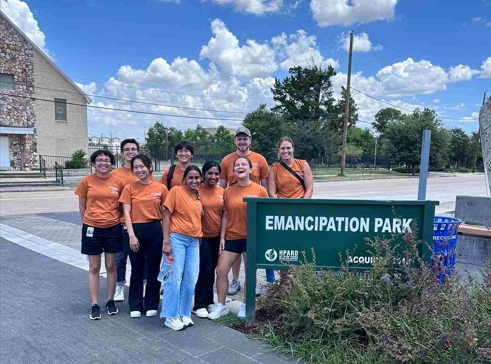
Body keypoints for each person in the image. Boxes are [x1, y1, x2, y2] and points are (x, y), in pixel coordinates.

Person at [209, 157, 268, 320]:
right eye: (237, 165)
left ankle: (246, 305)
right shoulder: (228, 191)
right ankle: (221, 306)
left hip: (251, 238)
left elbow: (264, 216)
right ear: (233, 171)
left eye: (244, 164)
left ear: (250, 170)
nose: (240, 167)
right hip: (232, 237)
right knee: (221, 271)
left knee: (250, 272)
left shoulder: (260, 190)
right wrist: (222, 237)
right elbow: (226, 214)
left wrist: (261, 238)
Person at [219, 126, 273, 295]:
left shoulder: (260, 159)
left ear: (250, 140)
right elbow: (221, 186)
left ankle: (251, 285)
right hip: (234, 207)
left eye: (245, 138)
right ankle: (235, 280)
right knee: (233, 255)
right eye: (239, 138)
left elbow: (265, 184)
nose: (242, 142)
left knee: (249, 257)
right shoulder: (227, 160)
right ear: (235, 141)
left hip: (252, 210)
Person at [75, 149, 125, 320]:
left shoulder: (118, 182)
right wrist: (87, 222)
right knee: (94, 267)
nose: (103, 163)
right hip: (92, 228)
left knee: (111, 266)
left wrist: (117, 220)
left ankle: (110, 300)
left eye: (106, 160)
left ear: (112, 163)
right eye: (99, 160)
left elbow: (122, 206)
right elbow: (82, 205)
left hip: (113, 228)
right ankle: (94, 303)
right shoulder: (86, 181)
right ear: (94, 163)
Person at [119, 155, 168, 318]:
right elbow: (126, 212)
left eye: (142, 167)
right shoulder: (129, 188)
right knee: (137, 269)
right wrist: (131, 235)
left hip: (155, 230)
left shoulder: (161, 188)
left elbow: (166, 214)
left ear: (150, 167)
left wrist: (166, 237)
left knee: (154, 268)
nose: (139, 170)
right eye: (136, 168)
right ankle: (136, 304)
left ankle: (151, 303)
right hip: (135, 231)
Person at [112, 138, 156, 302]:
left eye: (133, 149)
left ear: (138, 151)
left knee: (143, 259)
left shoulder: (145, 172)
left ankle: (143, 286)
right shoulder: (116, 174)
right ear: (122, 153)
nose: (130, 152)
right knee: (120, 257)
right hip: (122, 224)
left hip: (143, 225)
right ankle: (119, 286)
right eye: (127, 149)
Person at [160, 165, 203, 331]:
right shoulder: (176, 191)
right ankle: (170, 316)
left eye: (197, 178)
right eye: (190, 177)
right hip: (176, 239)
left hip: (194, 241)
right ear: (184, 179)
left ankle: (184, 313)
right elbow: (166, 216)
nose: (194, 181)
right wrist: (166, 241)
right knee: (174, 277)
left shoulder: (198, 195)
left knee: (191, 278)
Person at [192, 161, 224, 319]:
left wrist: (223, 237)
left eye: (216, 174)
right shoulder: (196, 190)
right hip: (201, 237)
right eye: (210, 173)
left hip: (217, 237)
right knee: (203, 269)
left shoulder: (222, 191)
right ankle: (199, 304)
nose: (213, 176)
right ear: (203, 174)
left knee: (212, 269)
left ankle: (210, 300)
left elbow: (225, 215)